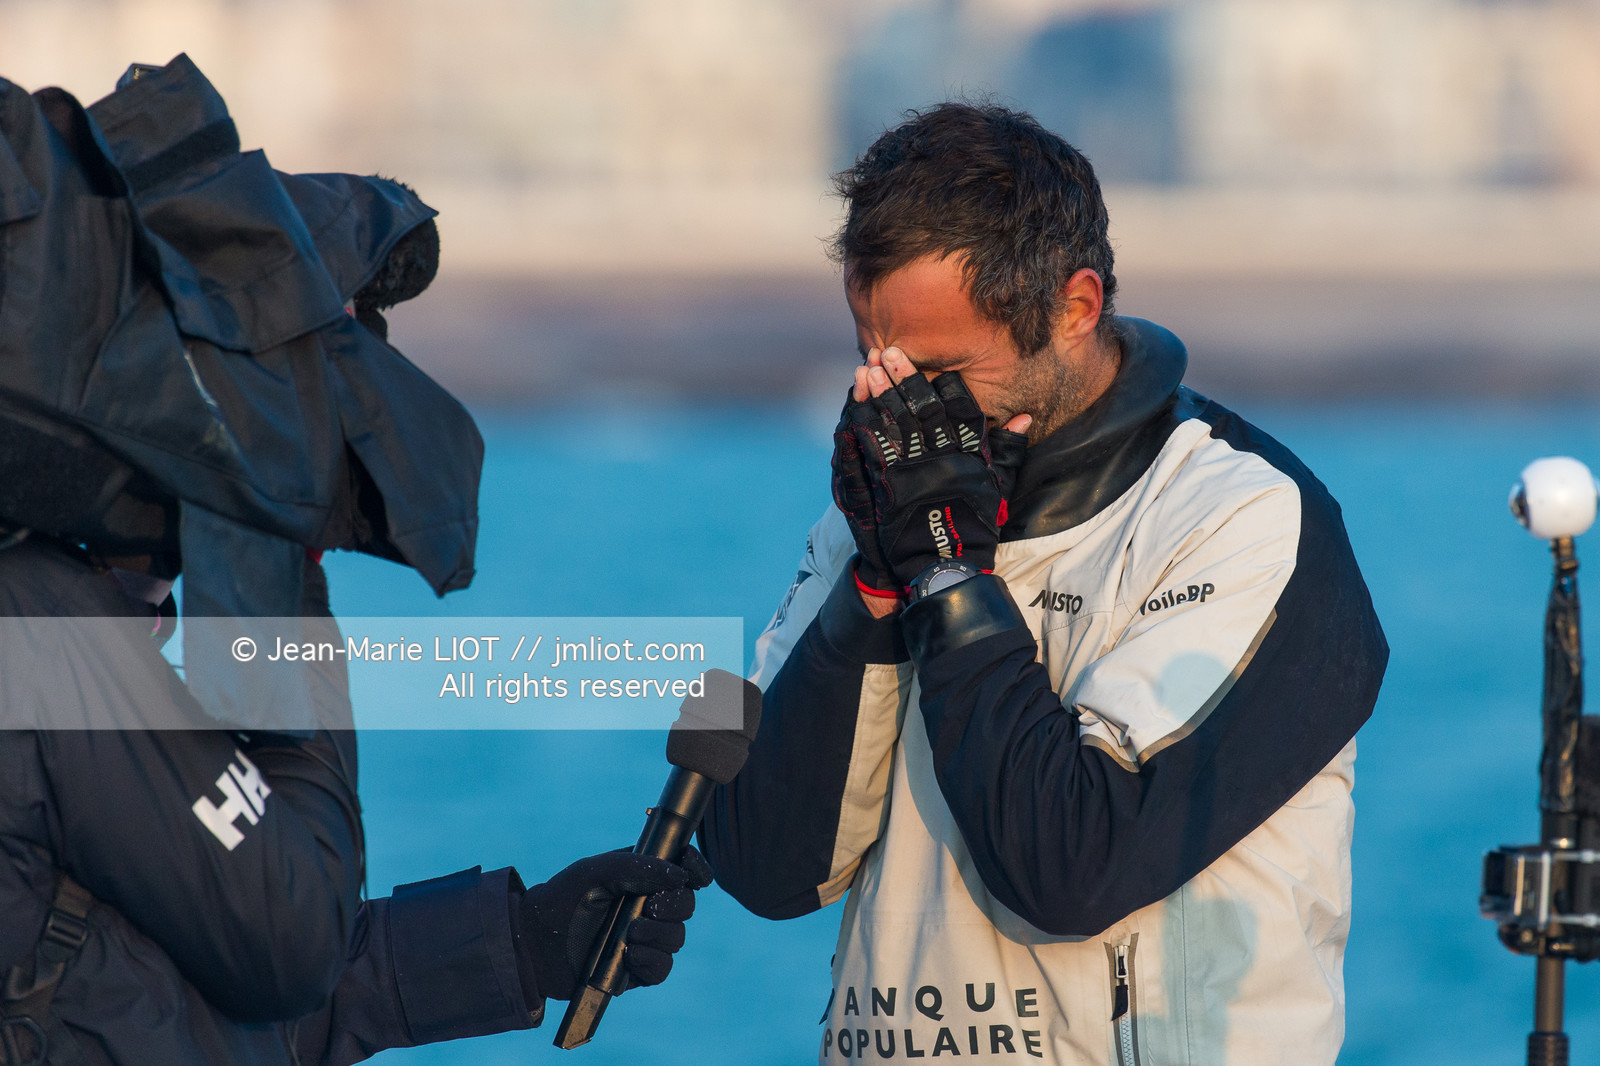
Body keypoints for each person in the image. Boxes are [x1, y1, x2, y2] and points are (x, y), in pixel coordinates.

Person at [0, 57, 707, 1066]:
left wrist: (517, 941)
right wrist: (275, 562)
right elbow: (289, 935)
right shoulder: (41, 625)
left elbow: (144, 989)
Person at [701, 102, 1388, 1065]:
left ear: (1075, 308)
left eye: (937, 371)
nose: (894, 404)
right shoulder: (884, 512)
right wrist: (875, 587)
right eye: (874, 362)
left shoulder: (1238, 516)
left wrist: (947, 576)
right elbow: (765, 866)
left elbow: (1070, 865)